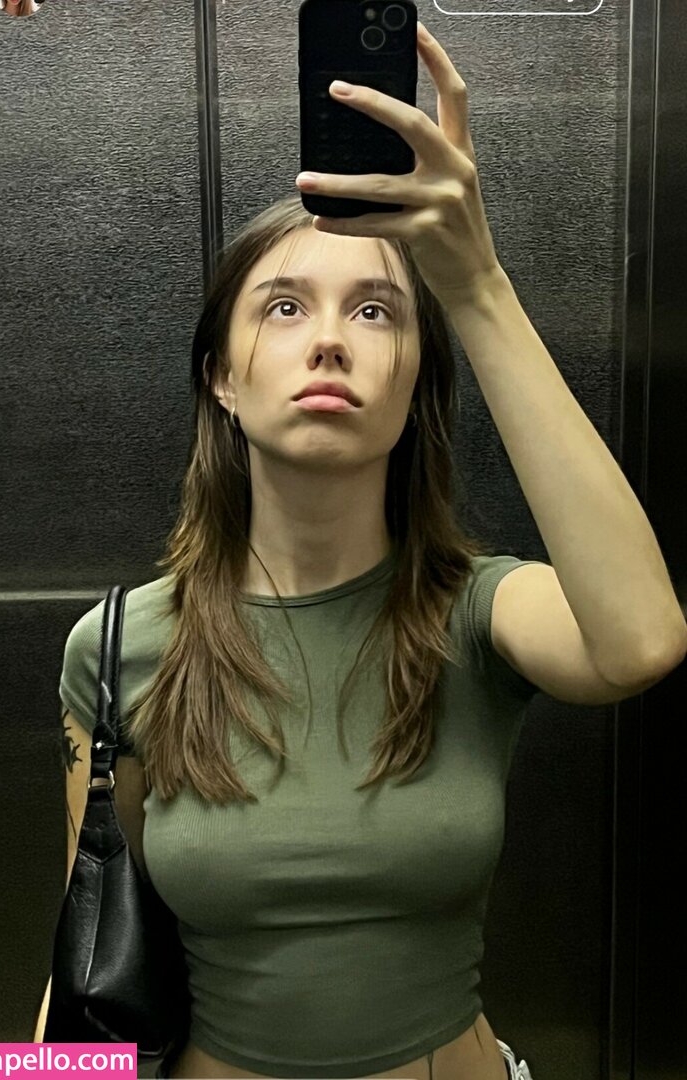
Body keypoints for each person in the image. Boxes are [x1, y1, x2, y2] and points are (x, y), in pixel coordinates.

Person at [37, 21, 687, 1080]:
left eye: (377, 311)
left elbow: (643, 641)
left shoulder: (477, 613)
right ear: (222, 377)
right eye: (284, 307)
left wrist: (473, 286)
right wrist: (22, 1075)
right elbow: (84, 965)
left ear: (415, 382)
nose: (330, 339)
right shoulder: (117, 647)